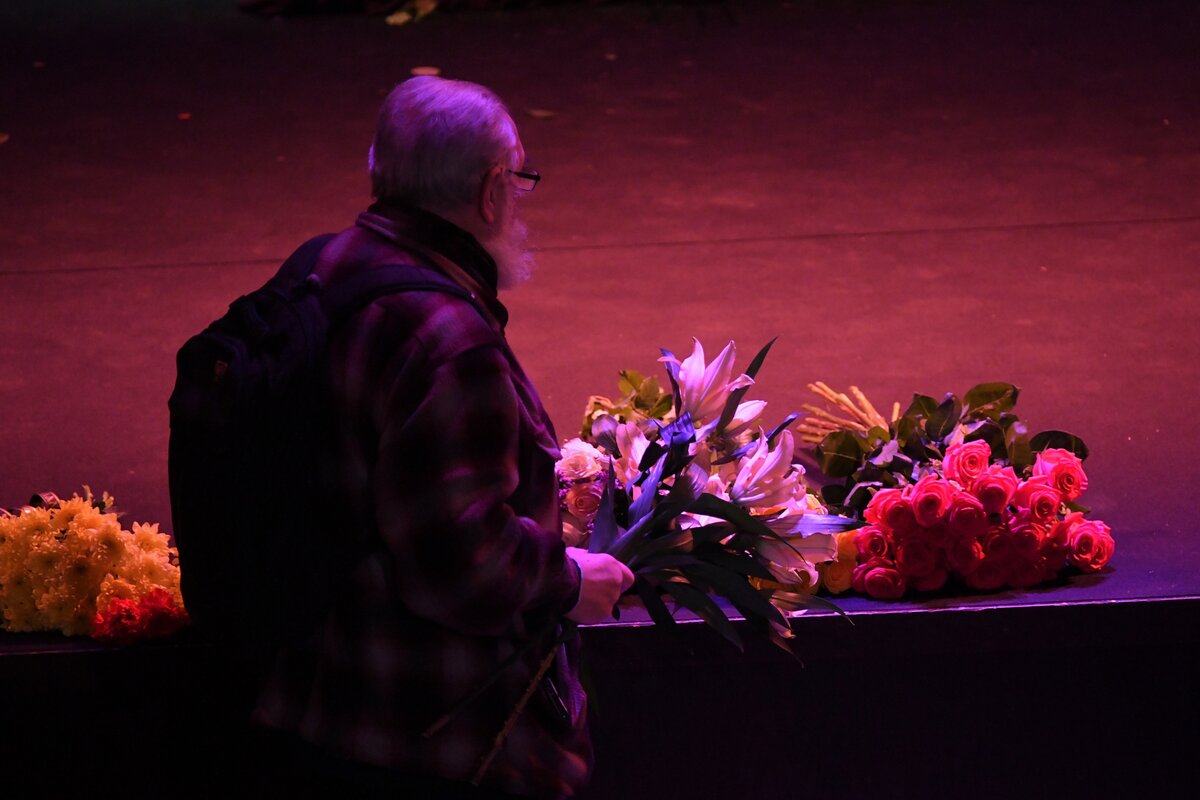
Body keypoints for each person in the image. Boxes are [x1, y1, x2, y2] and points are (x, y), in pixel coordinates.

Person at [250, 76, 634, 798]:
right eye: (517, 180)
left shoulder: (319, 267)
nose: (518, 201)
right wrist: (572, 580)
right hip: (422, 734)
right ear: (490, 192)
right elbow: (461, 565)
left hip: (317, 696)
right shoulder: (450, 345)